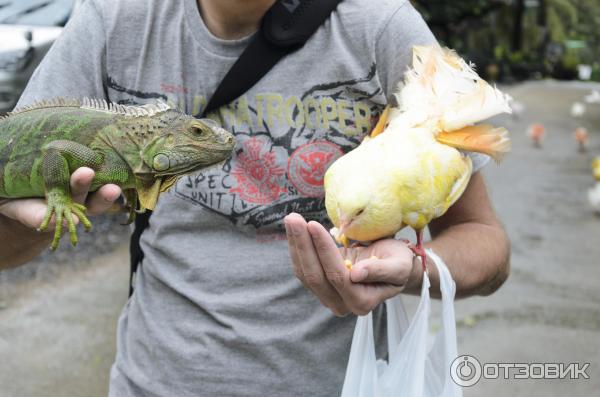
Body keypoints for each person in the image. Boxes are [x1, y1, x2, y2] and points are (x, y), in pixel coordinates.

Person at [0, 0, 510, 395]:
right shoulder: (113, 21)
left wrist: (411, 268)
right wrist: (34, 220)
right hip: (150, 382)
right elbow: (11, 231)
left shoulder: (381, 27)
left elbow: (486, 244)